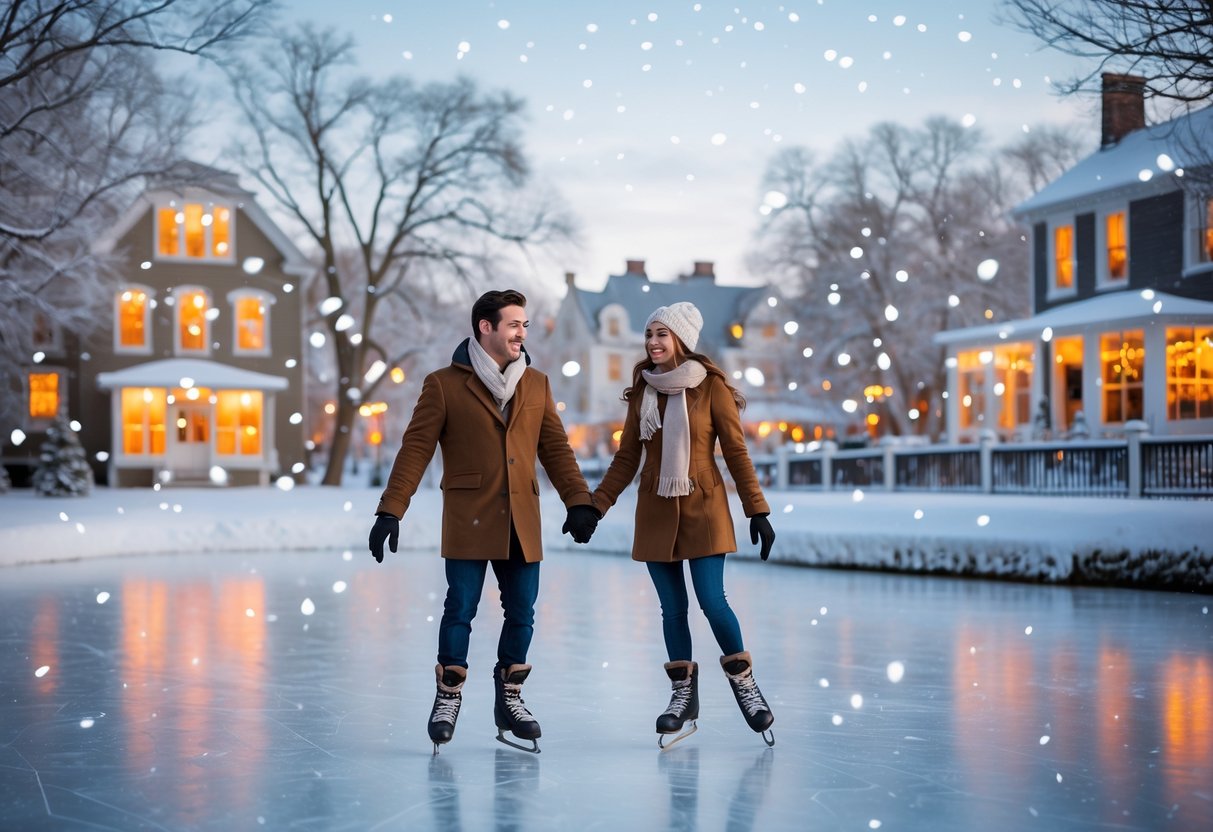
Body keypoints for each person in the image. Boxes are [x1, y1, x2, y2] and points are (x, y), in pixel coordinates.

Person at [368, 289, 600, 754]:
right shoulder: (444, 384)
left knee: (523, 614)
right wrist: (391, 509)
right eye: (513, 324)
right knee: (461, 609)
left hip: (522, 518)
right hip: (470, 516)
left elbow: (555, 448)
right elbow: (416, 449)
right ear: (485, 327)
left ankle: (509, 699)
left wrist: (579, 500)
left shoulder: (536, 384)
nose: (522, 332)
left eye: (525, 325)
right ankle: (448, 697)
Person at [590, 302, 777, 748]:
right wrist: (595, 506)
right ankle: (682, 697)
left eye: (662, 334)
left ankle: (745, 685)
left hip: (704, 506)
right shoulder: (641, 393)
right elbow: (626, 459)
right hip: (655, 509)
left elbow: (736, 453)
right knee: (672, 609)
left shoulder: (711, 388)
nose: (653, 342)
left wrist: (757, 509)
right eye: (649, 333)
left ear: (681, 340)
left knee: (713, 601)